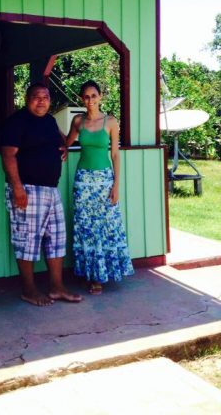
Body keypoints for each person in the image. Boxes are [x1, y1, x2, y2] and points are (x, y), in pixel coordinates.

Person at [1, 83, 82, 307]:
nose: (41, 101)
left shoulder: (50, 121)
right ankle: (29, 290)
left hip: (50, 190)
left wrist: (64, 146)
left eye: (45, 97)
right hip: (27, 188)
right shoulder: (17, 122)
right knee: (26, 239)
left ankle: (57, 287)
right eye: (36, 97)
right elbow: (8, 155)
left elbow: (60, 139)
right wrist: (17, 187)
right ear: (26, 99)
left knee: (55, 238)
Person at [66, 80, 134, 295]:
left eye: (94, 96)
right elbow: (67, 142)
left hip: (104, 180)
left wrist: (116, 185)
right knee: (86, 227)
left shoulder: (111, 122)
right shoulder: (78, 121)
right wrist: (60, 147)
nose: (90, 100)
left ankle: (106, 272)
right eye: (86, 97)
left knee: (106, 226)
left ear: (100, 97)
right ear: (81, 99)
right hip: (83, 180)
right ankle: (92, 276)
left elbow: (115, 154)